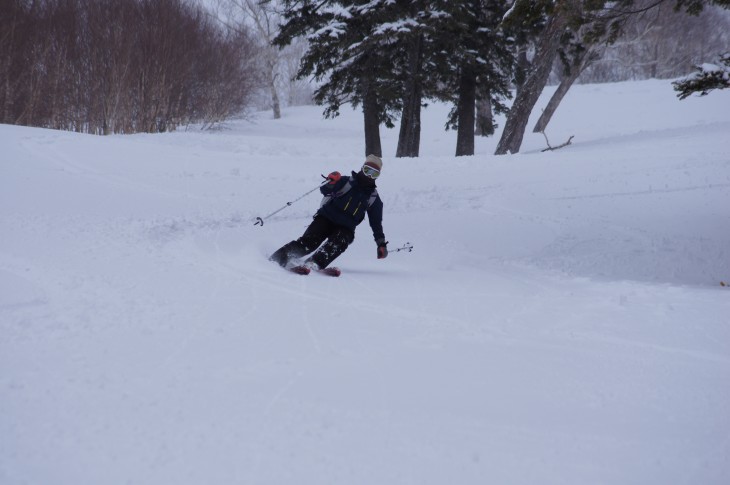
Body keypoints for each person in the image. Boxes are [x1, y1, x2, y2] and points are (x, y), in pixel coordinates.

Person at [269, 154, 388, 271]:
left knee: (340, 241)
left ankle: (314, 263)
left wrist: (381, 243)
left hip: (346, 228)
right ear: (362, 168)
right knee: (309, 242)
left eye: (374, 173)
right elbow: (324, 189)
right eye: (368, 170)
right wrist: (330, 182)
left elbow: (376, 222)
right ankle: (279, 257)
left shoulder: (373, 198)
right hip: (326, 218)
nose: (369, 176)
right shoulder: (346, 181)